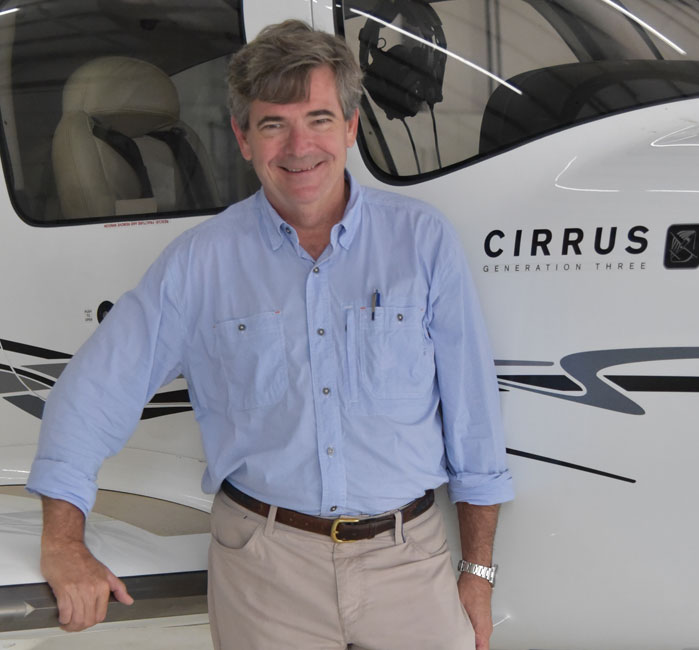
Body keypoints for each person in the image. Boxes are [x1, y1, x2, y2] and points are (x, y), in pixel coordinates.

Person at [27, 18, 513, 650]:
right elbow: (90, 396)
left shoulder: (423, 242)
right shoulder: (198, 263)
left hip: (408, 563)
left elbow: (475, 422)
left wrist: (478, 572)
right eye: (272, 124)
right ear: (242, 138)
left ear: (350, 127)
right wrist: (63, 542)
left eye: (316, 118)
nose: (298, 145)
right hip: (263, 571)